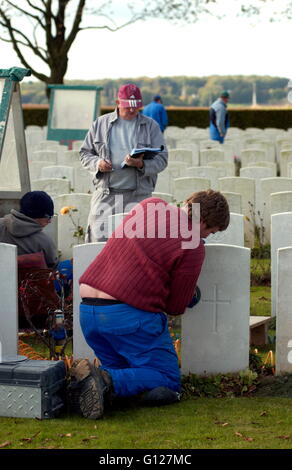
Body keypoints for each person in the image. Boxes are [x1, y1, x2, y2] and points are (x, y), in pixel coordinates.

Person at [68, 190, 230, 419]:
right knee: (166, 377)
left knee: (128, 373)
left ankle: (86, 385)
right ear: (202, 220)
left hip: (88, 311)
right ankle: (104, 379)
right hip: (126, 316)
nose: (205, 237)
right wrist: (188, 294)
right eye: (209, 231)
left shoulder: (149, 205)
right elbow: (175, 307)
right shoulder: (193, 243)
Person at [80, 83, 168, 242]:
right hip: (106, 194)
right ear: (117, 102)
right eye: (128, 106)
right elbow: (85, 153)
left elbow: (162, 159)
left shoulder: (151, 126)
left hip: (138, 195)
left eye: (136, 106)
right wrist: (98, 163)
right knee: (97, 241)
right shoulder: (100, 123)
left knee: (138, 244)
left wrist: (141, 165)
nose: (133, 110)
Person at [0, 190, 58, 268]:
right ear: (37, 215)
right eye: (48, 217)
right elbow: (52, 266)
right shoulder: (44, 241)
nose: (50, 221)